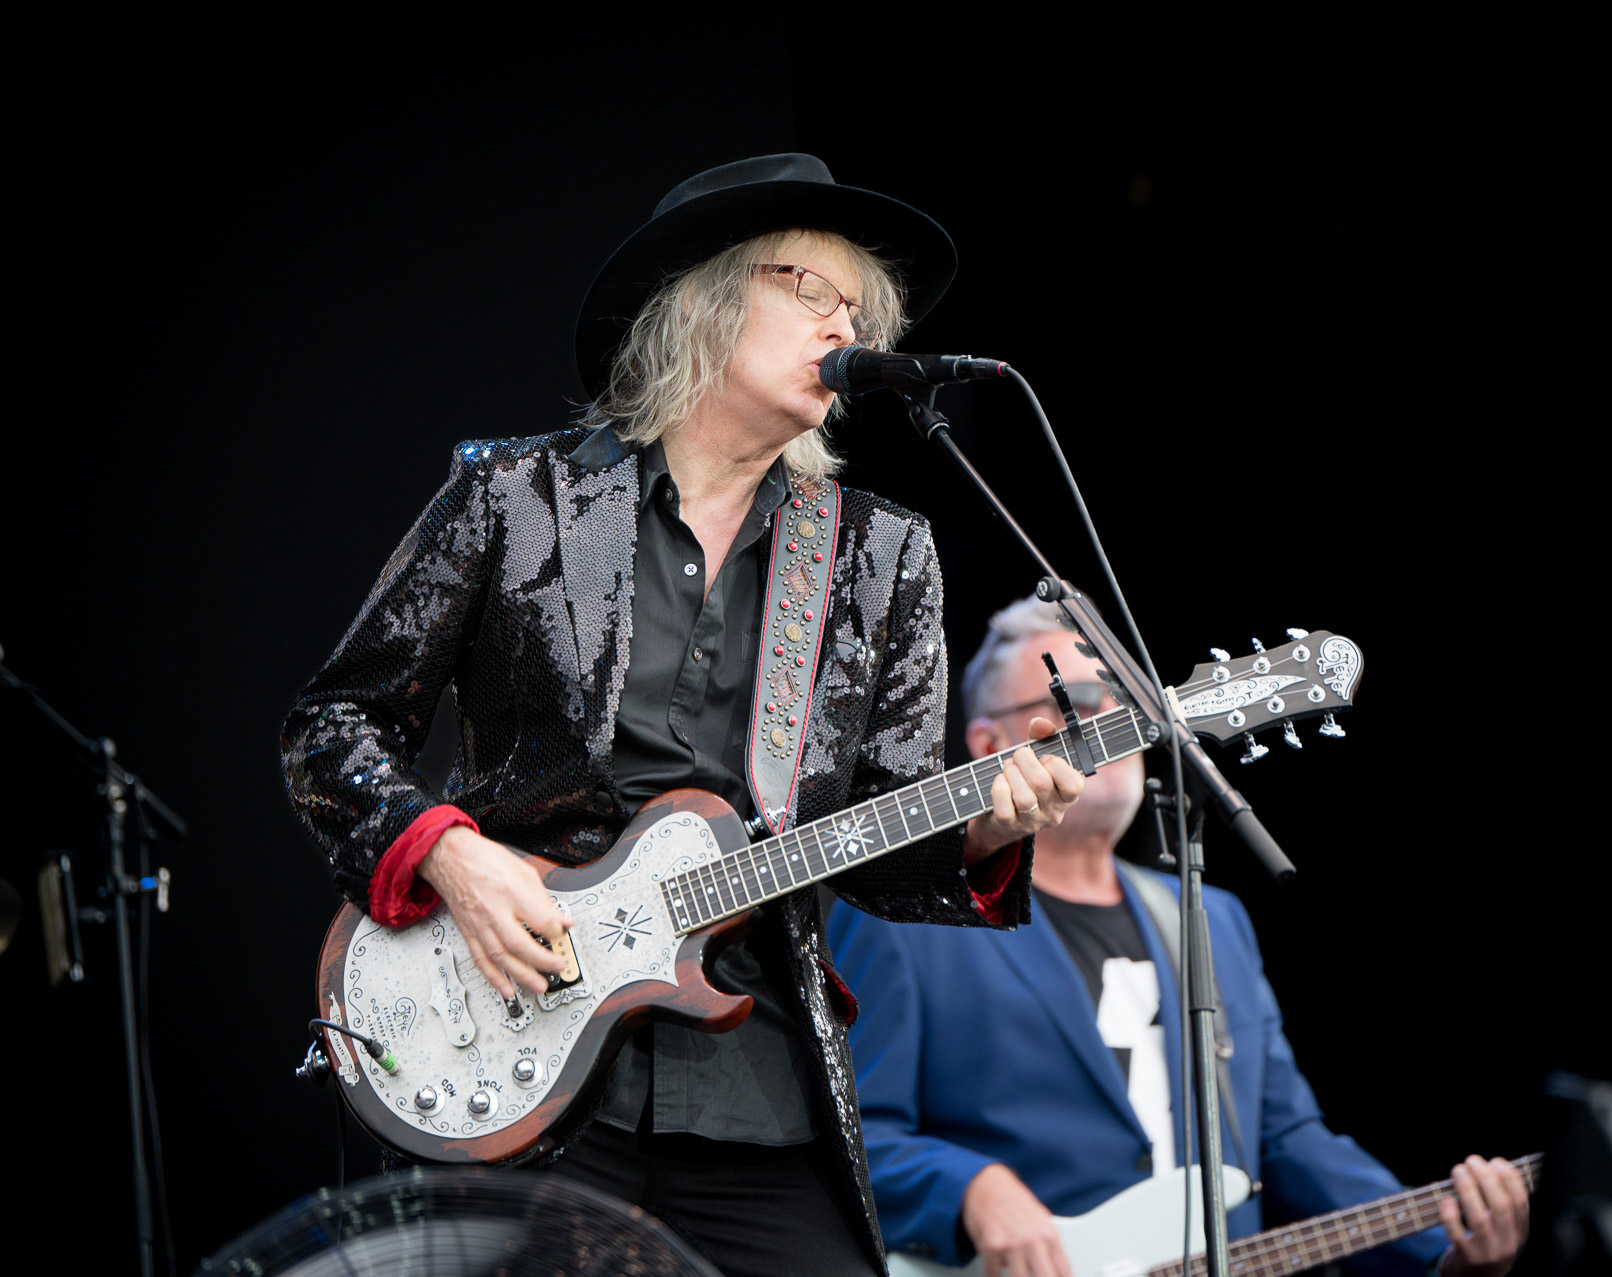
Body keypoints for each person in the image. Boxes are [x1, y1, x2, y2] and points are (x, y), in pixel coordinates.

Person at [281, 155, 1087, 1277]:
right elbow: (332, 727)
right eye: (814, 290)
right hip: (521, 1055)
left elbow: (879, 834)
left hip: (757, 1082)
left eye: (860, 311)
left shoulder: (879, 553)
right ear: (705, 298)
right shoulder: (518, 500)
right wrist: (454, 858)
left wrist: (987, 827)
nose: (845, 326)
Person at [828, 597, 1529, 1277]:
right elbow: (856, 1129)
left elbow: (1286, 1141)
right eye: (1076, 698)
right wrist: (971, 1189)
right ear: (988, 745)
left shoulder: (1214, 919)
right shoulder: (906, 916)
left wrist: (1443, 1249)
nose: (1114, 721)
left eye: (1124, 699)